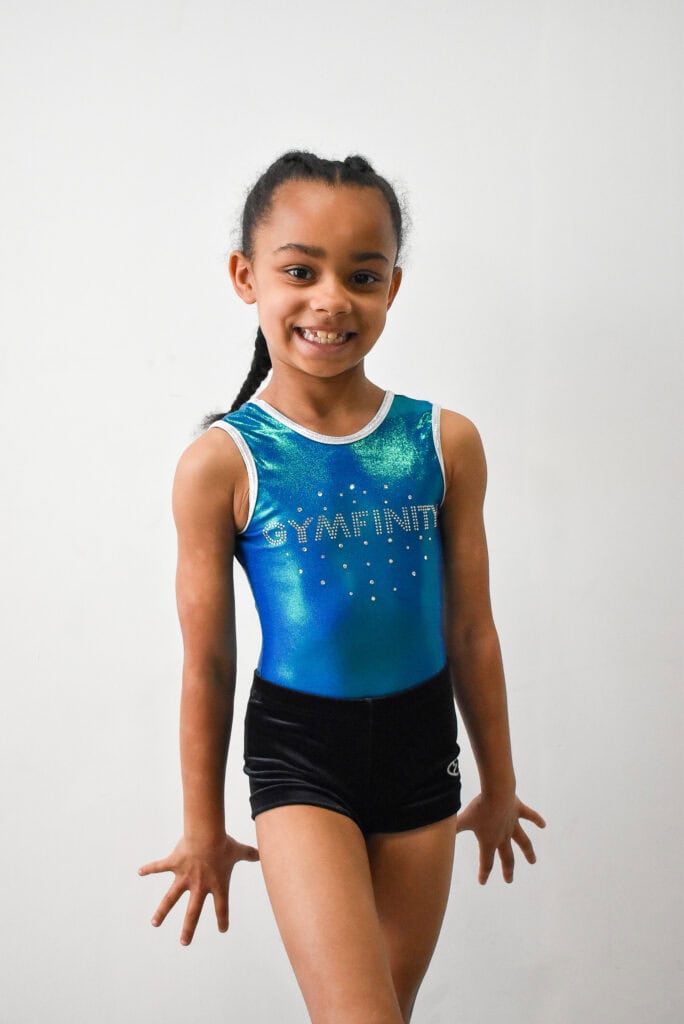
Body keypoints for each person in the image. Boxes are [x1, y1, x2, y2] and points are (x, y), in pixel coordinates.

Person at [138, 150, 547, 1024]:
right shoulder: (222, 464)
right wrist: (201, 825)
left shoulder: (445, 442)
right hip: (300, 754)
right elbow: (208, 664)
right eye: (300, 270)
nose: (331, 299)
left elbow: (472, 630)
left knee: (386, 1011)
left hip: (422, 747)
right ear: (247, 277)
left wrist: (500, 782)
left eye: (361, 275)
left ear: (392, 288)